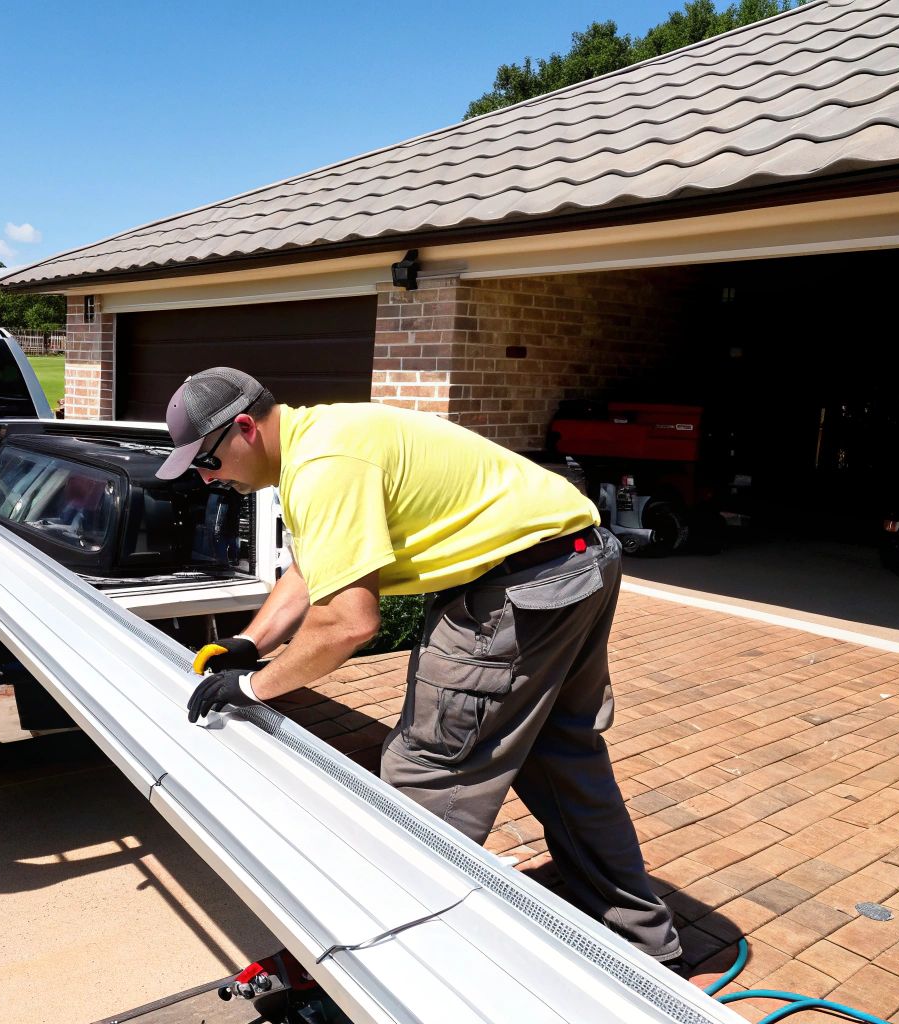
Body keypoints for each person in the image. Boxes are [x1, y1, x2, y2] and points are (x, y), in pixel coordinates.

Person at [155, 366, 685, 971]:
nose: (208, 478)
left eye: (208, 462)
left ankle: (378, 966)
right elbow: (312, 569)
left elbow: (348, 624)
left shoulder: (324, 466)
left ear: (245, 428)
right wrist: (249, 643)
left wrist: (252, 686)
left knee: (427, 772)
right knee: (559, 755)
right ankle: (646, 946)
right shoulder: (320, 438)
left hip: (518, 591)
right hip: (574, 562)